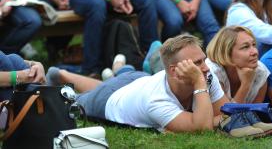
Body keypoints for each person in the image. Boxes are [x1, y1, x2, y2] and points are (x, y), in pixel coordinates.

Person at [47, 34, 228, 132]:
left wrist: (209, 116)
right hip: (109, 101)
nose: (205, 68)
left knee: (109, 84)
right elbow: (203, 129)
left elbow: (227, 114)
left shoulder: (204, 74)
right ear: (174, 71)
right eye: (196, 63)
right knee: (75, 102)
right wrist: (199, 85)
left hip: (140, 80)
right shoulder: (156, 100)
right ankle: (61, 75)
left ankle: (65, 74)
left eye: (203, 60)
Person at [206, 26, 270, 103]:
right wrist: (245, 84)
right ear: (226, 53)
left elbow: (256, 112)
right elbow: (225, 114)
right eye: (245, 47)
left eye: (254, 45)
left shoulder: (261, 71)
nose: (255, 52)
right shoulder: (211, 72)